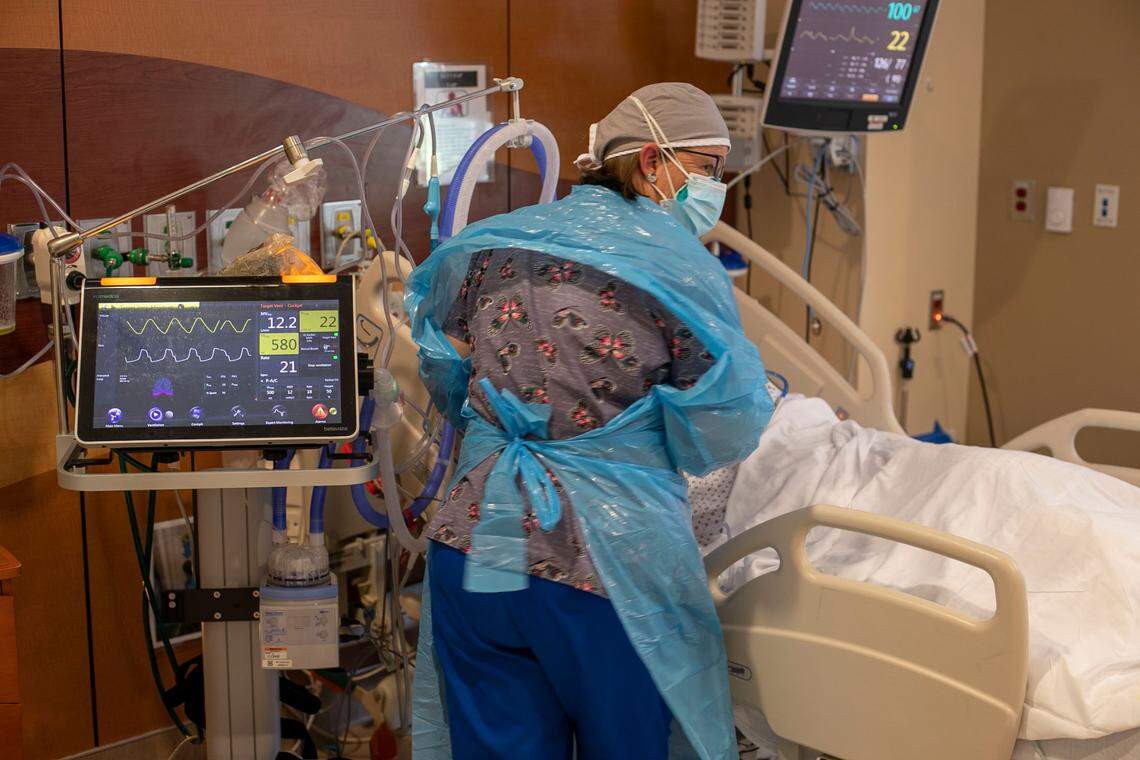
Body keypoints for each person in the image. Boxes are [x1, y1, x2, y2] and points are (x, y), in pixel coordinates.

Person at [406, 82, 773, 760]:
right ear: (650, 163)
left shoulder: (495, 243)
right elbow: (723, 426)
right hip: (602, 567)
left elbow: (444, 369)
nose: (717, 185)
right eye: (707, 165)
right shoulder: (675, 268)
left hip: (478, 550)